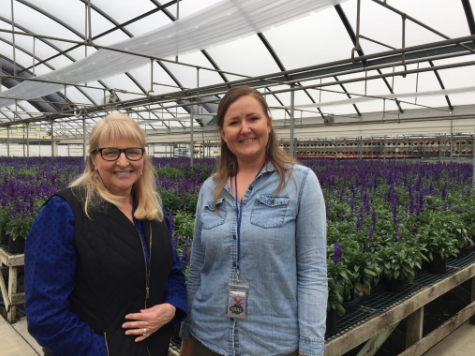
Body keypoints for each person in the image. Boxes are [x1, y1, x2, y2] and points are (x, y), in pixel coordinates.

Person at [180, 86, 327, 356]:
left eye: (253, 118)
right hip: (208, 337)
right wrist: (187, 333)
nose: (244, 129)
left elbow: (313, 273)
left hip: (271, 343)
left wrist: (311, 347)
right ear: (223, 134)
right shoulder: (209, 189)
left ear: (268, 124)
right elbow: (198, 266)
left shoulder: (301, 183)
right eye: (234, 122)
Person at [25, 114, 187, 356]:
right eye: (110, 152)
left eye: (133, 151)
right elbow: (45, 316)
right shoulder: (64, 211)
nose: (123, 162)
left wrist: (173, 307)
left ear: (143, 157)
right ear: (93, 159)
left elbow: (172, 273)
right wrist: (106, 350)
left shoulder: (152, 209)